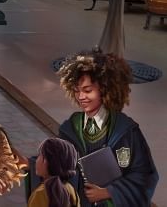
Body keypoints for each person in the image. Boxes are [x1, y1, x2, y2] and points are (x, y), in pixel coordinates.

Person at [55, 49, 158, 206]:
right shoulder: (70, 129)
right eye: (77, 91)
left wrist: (109, 192)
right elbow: (54, 163)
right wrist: (29, 165)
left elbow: (145, 176)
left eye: (88, 90)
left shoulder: (126, 131)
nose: (81, 97)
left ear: (104, 89)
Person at [28, 137, 80, 207]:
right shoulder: (71, 189)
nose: (36, 160)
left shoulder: (40, 194)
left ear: (46, 161)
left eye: (40, 155)